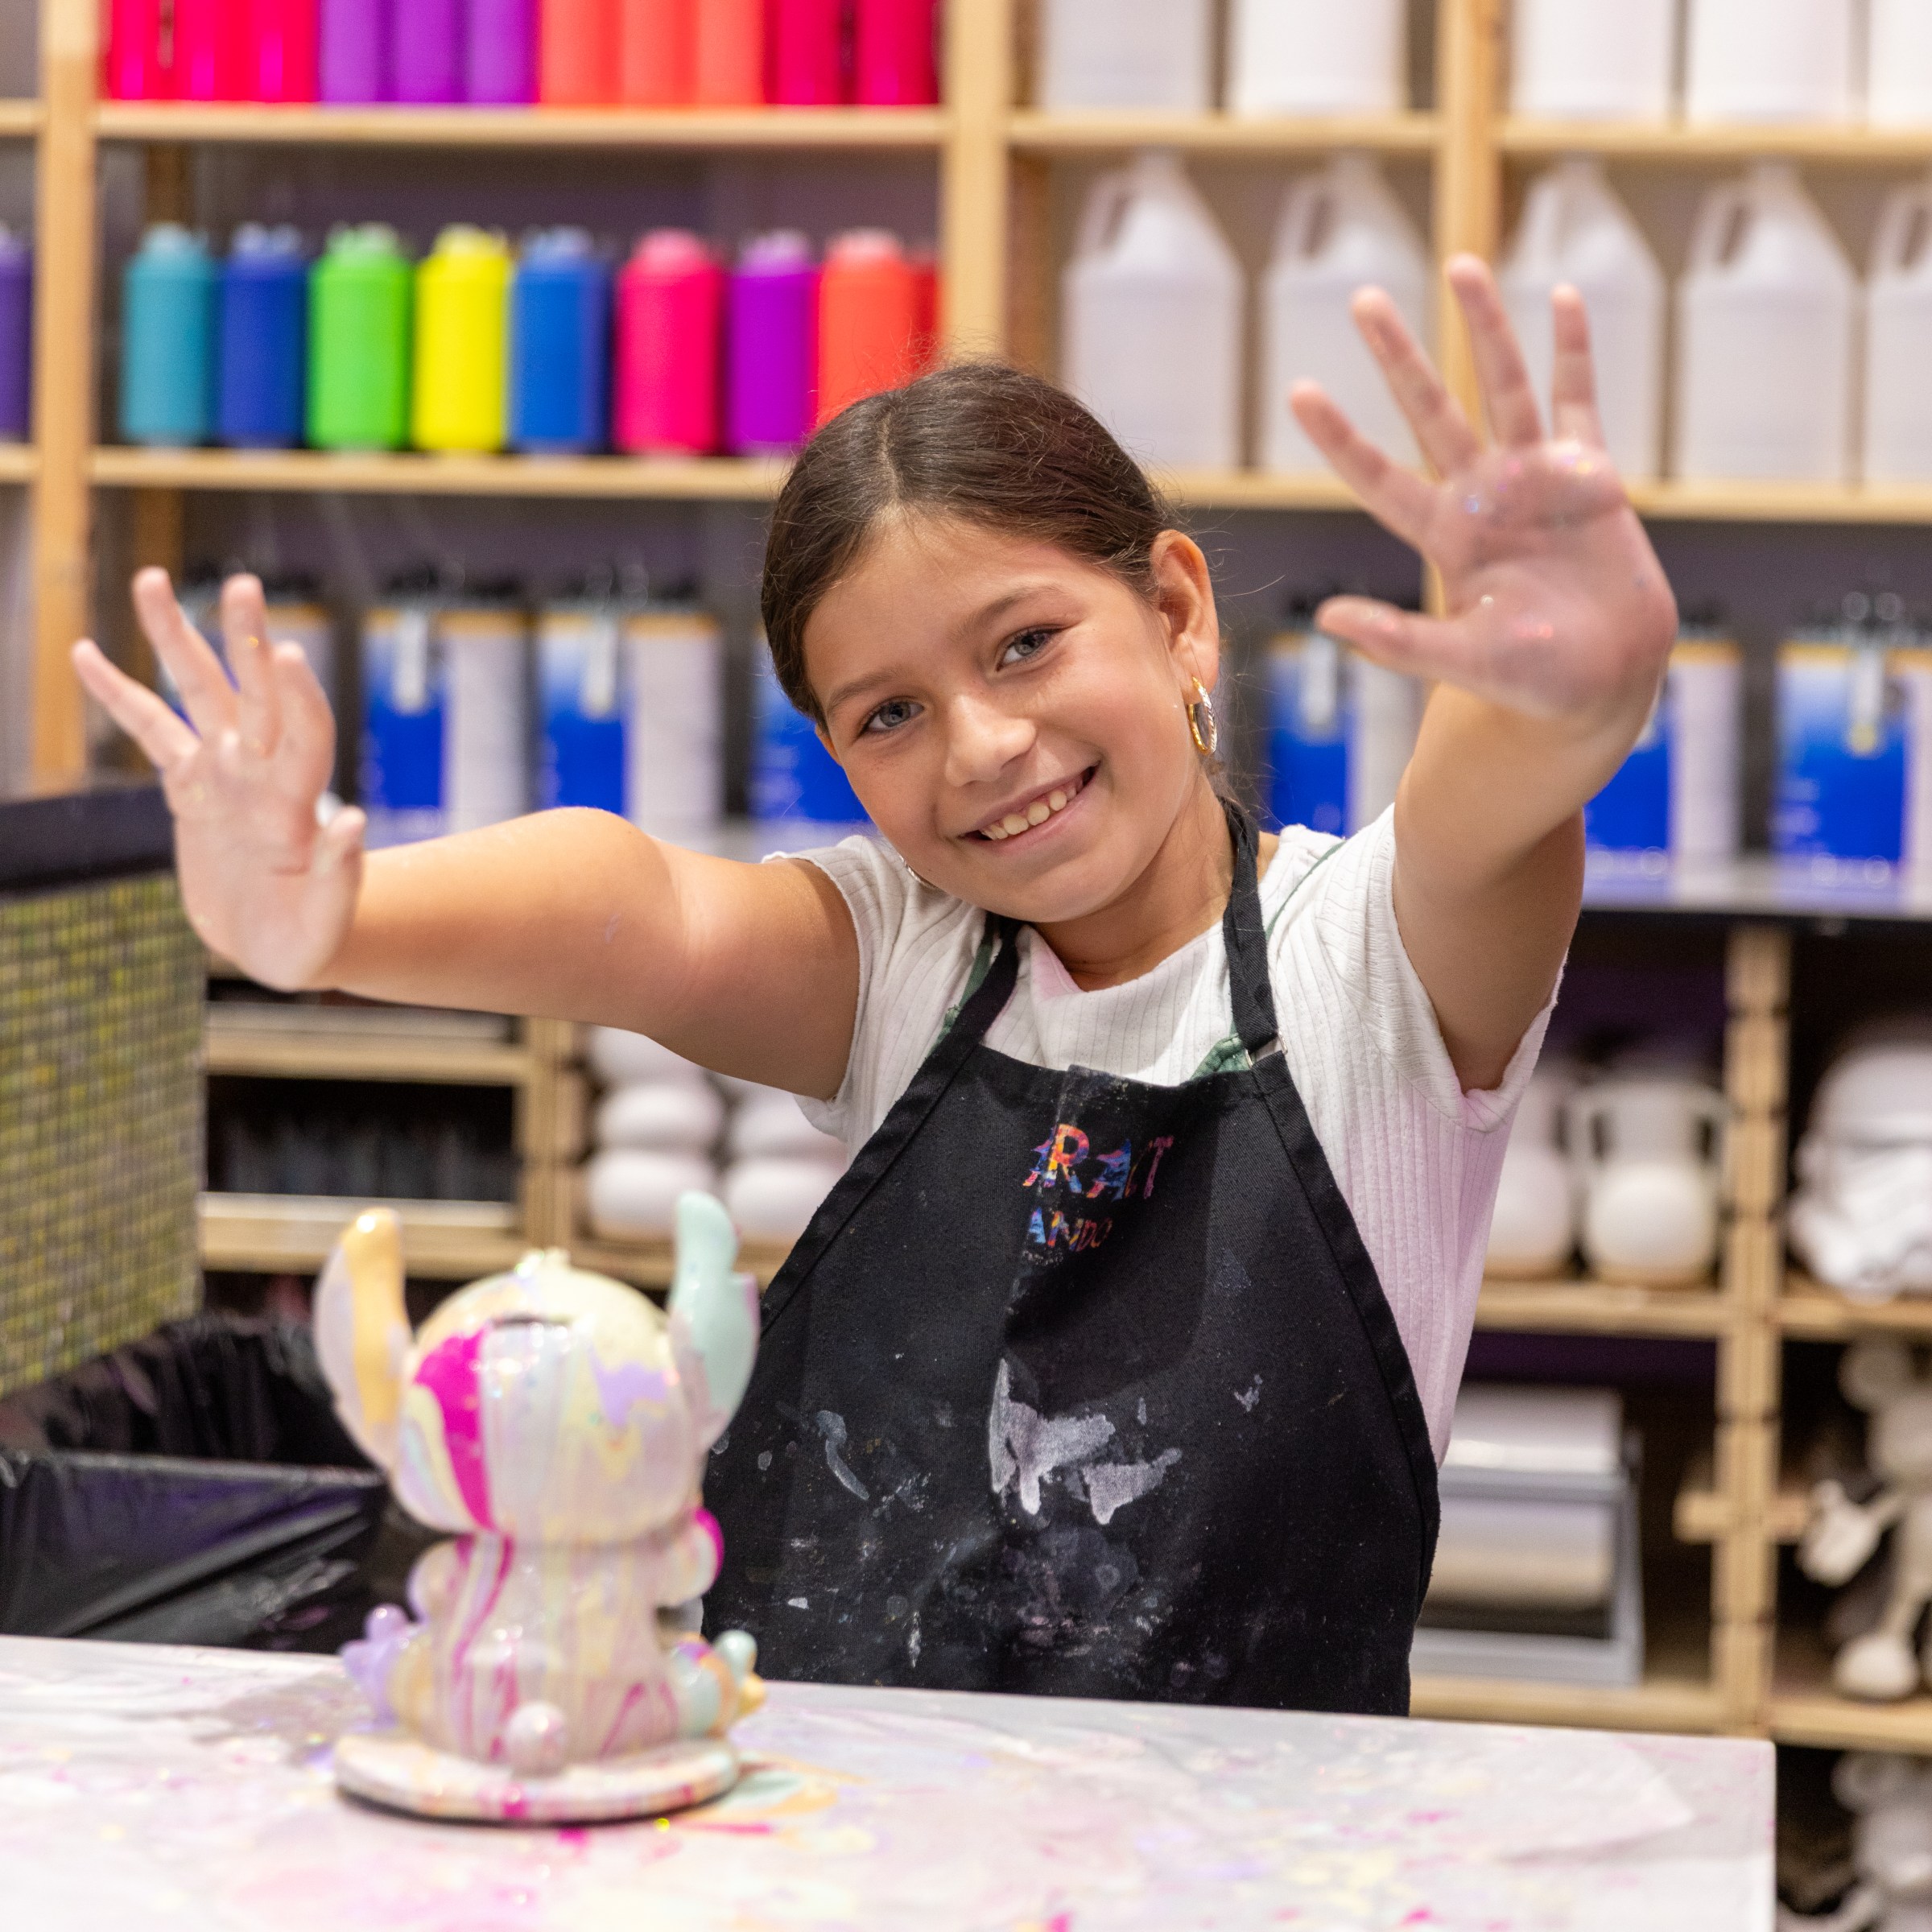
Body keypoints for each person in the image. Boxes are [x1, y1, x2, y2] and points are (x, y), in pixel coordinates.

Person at [73, 260, 1677, 1716]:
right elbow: (636, 909)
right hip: (853, 1851)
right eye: (888, 715)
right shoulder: (906, 957)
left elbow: (1492, 806)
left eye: (1026, 643)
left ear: (1177, 614)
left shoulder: (1371, 961)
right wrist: (326, 919)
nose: (982, 746)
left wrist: (1569, 688)